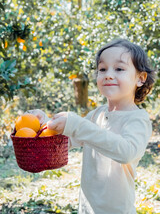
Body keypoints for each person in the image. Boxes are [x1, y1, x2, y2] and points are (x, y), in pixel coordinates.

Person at [30, 39, 155, 214]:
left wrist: (77, 124)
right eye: (102, 69)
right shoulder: (97, 115)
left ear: (140, 79)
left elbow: (126, 152)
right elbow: (66, 141)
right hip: (88, 209)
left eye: (119, 69)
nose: (108, 75)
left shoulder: (137, 119)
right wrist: (44, 123)